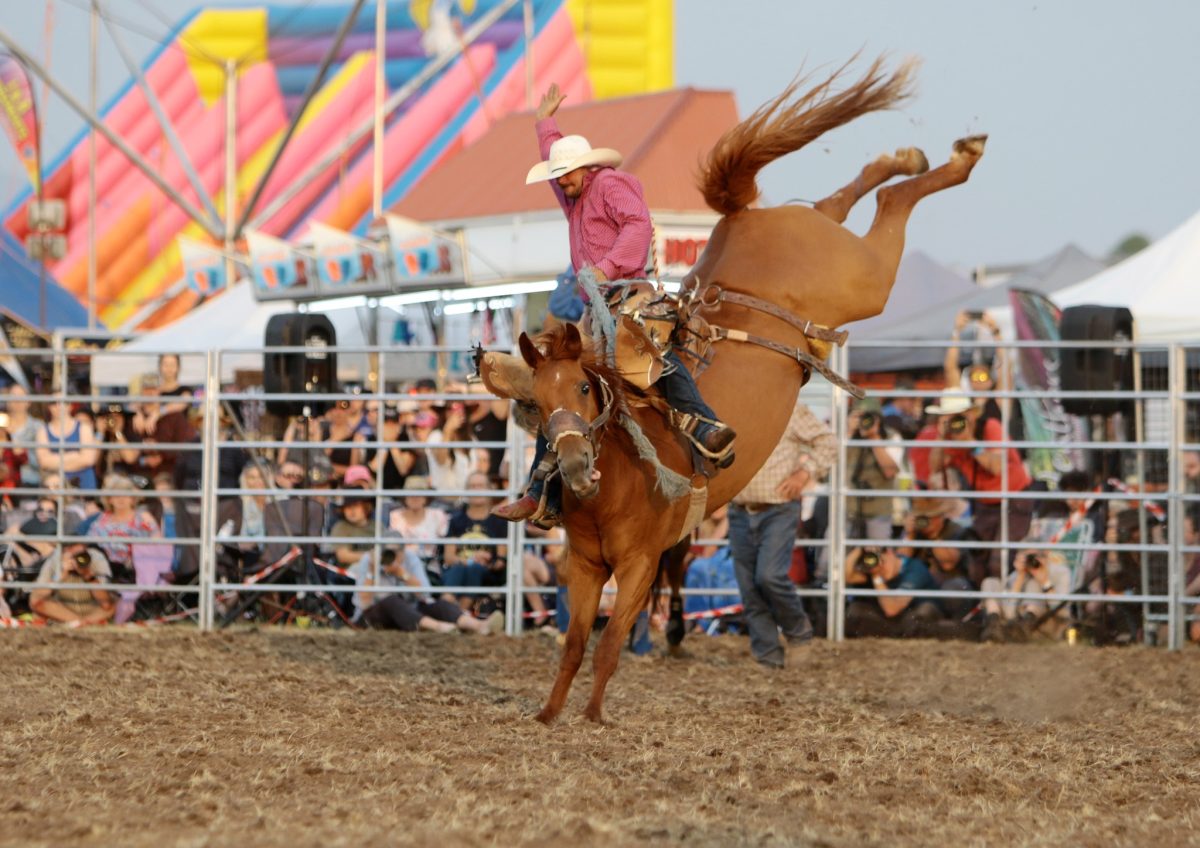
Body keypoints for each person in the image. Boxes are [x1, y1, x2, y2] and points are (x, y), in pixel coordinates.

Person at [492, 82, 735, 525]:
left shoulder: (609, 184)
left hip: (626, 293)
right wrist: (544, 123)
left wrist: (606, 266)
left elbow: (637, 224)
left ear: (586, 168)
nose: (562, 180)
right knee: (561, 391)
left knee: (648, 355)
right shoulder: (575, 195)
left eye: (567, 173)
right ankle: (539, 489)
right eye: (559, 174)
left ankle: (704, 423)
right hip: (597, 305)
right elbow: (555, 161)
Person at [728, 399, 835, 668]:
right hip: (740, 508)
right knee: (750, 587)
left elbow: (828, 442)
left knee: (769, 575)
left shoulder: (787, 407)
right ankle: (768, 656)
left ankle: (798, 631)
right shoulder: (729, 407)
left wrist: (804, 473)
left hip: (778, 507)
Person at [926, 390, 1032, 578]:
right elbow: (935, 467)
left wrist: (971, 443)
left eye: (959, 416)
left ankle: (1004, 602)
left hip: (1014, 500)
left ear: (971, 414)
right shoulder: (951, 439)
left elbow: (997, 467)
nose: (956, 422)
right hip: (985, 504)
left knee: (1000, 561)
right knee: (977, 563)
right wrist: (941, 437)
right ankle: (984, 603)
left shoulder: (990, 427)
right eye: (950, 417)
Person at [442, 471, 508, 611]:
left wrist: (487, 562)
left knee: (475, 569)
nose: (476, 490)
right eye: (472, 486)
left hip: (486, 573)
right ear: (466, 491)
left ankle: (455, 614)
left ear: (490, 489)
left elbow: (501, 561)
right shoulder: (456, 519)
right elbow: (448, 557)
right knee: (459, 567)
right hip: (459, 570)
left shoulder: (499, 521)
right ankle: (453, 608)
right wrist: (472, 560)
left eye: (480, 486)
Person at [843, 545, 941, 639]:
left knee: (918, 616)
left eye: (883, 562)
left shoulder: (915, 569)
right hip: (893, 620)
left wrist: (877, 577)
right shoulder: (875, 570)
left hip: (917, 615)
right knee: (856, 609)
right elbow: (845, 577)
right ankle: (897, 633)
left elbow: (892, 609)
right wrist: (860, 549)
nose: (881, 567)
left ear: (890, 553)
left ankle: (897, 633)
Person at [979, 548, 1072, 641]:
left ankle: (1027, 623)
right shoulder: (1017, 574)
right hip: (1015, 625)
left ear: (1046, 555)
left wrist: (1045, 582)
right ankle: (993, 624)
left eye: (1037, 556)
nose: (1032, 561)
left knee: (1034, 584)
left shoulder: (1061, 572)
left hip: (1044, 624)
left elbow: (1063, 613)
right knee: (990, 582)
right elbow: (1009, 614)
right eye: (1028, 558)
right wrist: (1019, 578)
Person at [845, 397, 903, 542]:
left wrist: (874, 437)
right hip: (848, 509)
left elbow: (890, 471)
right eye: (860, 416)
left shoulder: (892, 437)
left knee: (877, 557)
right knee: (829, 559)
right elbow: (832, 465)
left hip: (879, 511)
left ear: (879, 419)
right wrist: (849, 433)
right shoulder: (846, 437)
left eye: (869, 417)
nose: (864, 421)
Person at [29, 543, 115, 624]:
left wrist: (88, 575)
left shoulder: (95, 558)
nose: (78, 559)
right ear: (64, 552)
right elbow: (37, 597)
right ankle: (80, 623)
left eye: (81, 554)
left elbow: (106, 604)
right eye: (73, 555)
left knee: (116, 603)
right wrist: (60, 576)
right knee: (36, 601)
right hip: (65, 611)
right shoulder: (55, 558)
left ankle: (80, 623)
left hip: (93, 611)